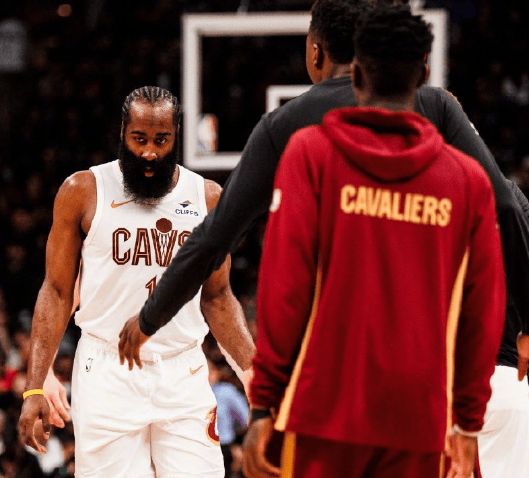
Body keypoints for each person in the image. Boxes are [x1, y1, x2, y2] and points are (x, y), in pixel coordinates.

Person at [119, 0, 529, 389]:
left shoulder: (283, 126)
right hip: (431, 356)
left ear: (315, 51)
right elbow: (507, 207)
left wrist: (150, 318)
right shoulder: (434, 105)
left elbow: (212, 240)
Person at [243, 6, 506, 477]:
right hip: (422, 418)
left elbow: (284, 288)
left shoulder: (310, 154)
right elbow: (483, 312)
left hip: (322, 411)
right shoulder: (468, 181)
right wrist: (467, 422)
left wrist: (264, 402)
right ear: (424, 74)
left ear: (358, 73)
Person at [18, 86, 255, 478]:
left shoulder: (207, 197)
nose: (149, 152)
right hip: (106, 371)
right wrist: (36, 382)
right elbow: (57, 291)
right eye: (139, 139)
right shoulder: (83, 191)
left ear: (176, 137)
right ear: (122, 134)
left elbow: (218, 297)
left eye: (161, 140)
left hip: (183, 371)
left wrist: (253, 374)